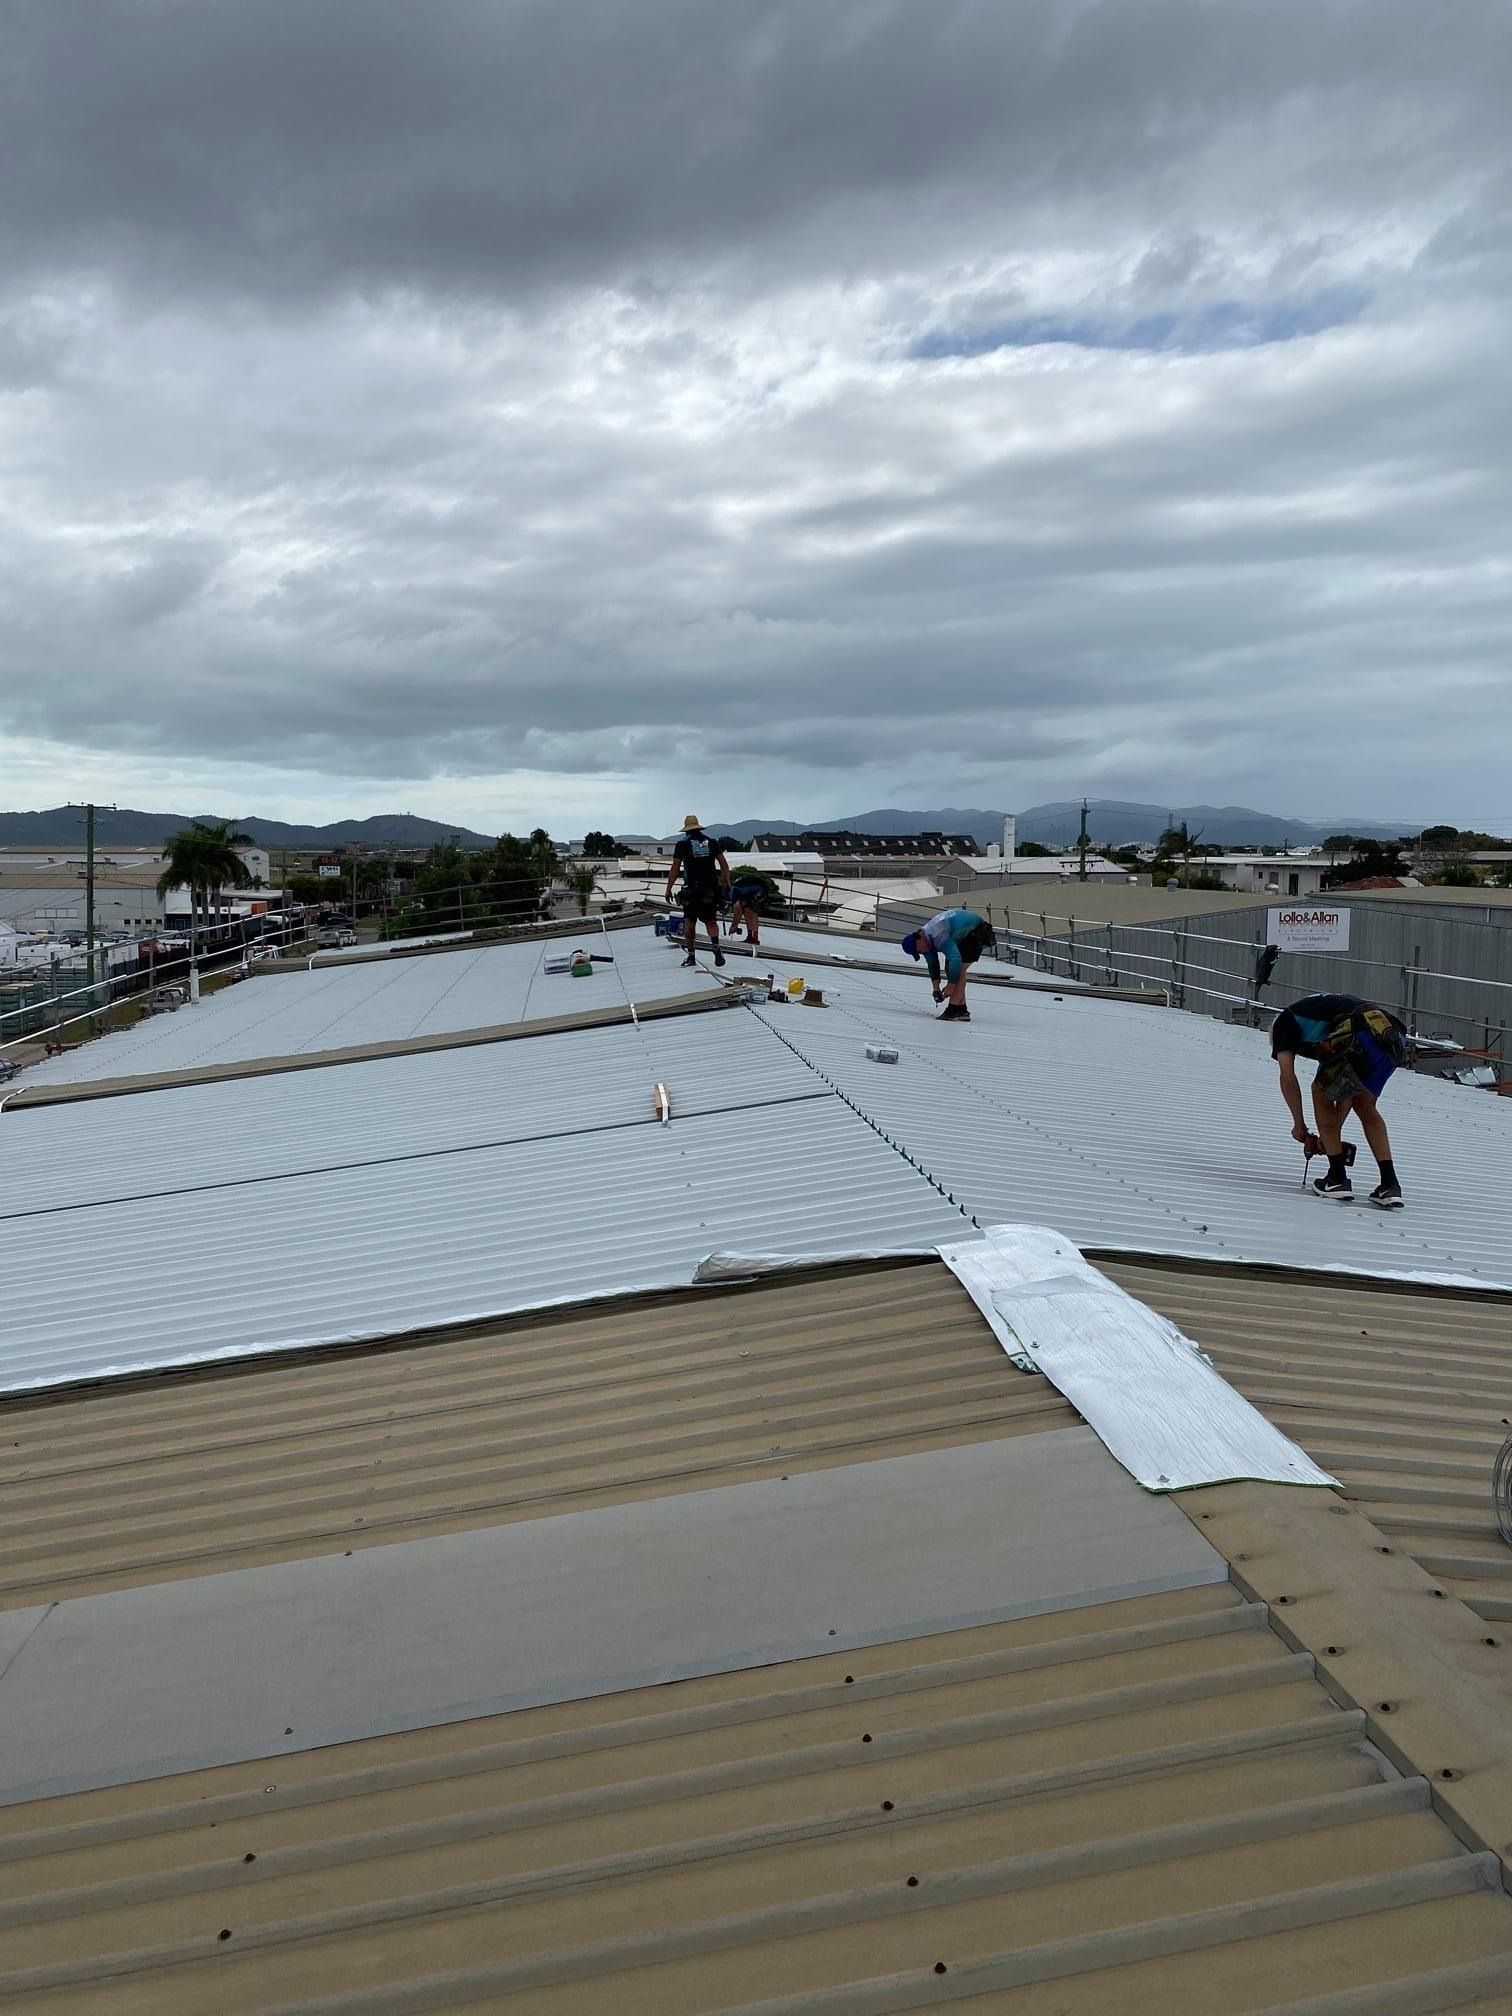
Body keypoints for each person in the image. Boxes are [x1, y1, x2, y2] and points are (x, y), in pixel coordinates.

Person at [1270, 993, 1409, 1208]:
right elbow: (1347, 1091)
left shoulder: (1283, 1024)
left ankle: (1337, 1178)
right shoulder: (1321, 1023)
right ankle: (1389, 1185)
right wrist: (1332, 1134)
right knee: (1364, 1105)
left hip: (1357, 1032)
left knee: (1320, 1091)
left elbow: (1287, 1077)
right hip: (1391, 1037)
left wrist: (1299, 1125)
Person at [901, 908, 994, 1021]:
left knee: (958, 970)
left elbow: (955, 959)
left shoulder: (938, 935)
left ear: (918, 940)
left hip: (977, 932)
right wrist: (936, 989)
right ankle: (961, 1009)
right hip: (963, 934)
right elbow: (932, 963)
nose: (921, 953)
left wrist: (951, 985)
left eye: (919, 951)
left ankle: (953, 1009)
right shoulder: (924, 939)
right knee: (951, 970)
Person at [665, 815, 730, 967]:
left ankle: (691, 956)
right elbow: (724, 864)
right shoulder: (711, 842)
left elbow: (675, 869)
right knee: (711, 921)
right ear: (699, 828)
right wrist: (726, 883)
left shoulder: (682, 844)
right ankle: (715, 945)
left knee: (689, 922)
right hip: (710, 889)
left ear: (686, 830)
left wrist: (668, 889)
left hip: (692, 889)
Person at [728, 872, 766, 947]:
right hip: (754, 889)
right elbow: (740, 910)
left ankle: (754, 938)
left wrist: (734, 925)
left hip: (759, 889)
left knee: (752, 913)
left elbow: (737, 909)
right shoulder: (735, 888)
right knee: (746, 911)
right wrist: (735, 924)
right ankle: (750, 937)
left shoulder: (732, 891)